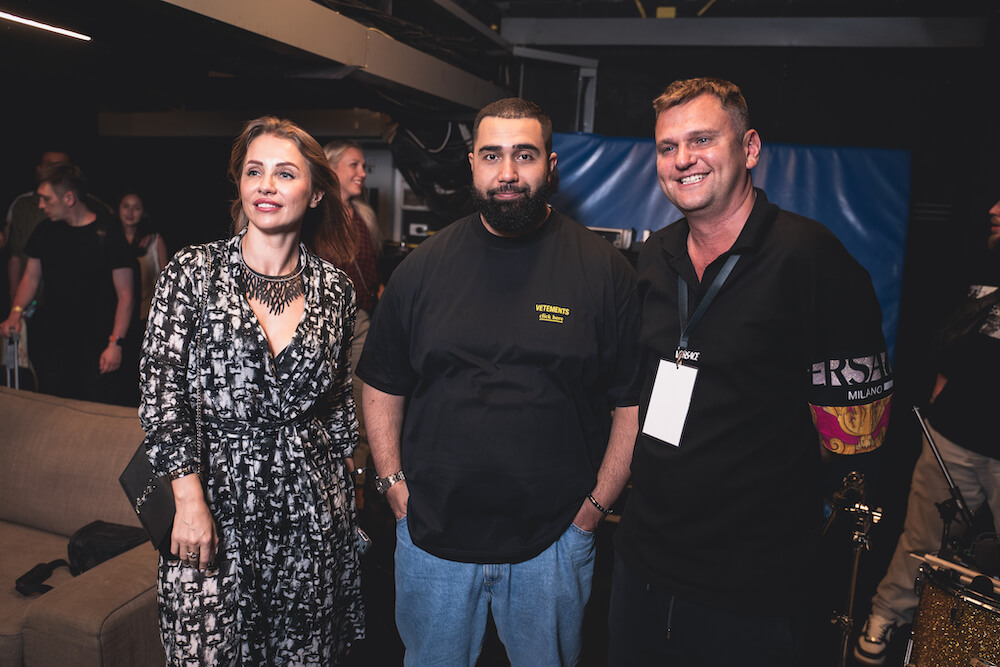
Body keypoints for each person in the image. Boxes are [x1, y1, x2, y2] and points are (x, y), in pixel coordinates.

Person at [608, 77, 892, 666]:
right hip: (642, 563)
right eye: (667, 147)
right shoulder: (654, 256)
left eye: (702, 140)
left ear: (750, 148)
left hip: (750, 586)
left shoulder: (812, 259)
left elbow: (853, 436)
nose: (682, 159)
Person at [357, 97, 640, 666]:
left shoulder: (604, 271)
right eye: (492, 155)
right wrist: (393, 485)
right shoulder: (421, 269)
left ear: (550, 165)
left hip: (553, 545)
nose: (507, 172)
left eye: (524, 155)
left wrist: (592, 511)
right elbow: (383, 383)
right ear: (472, 165)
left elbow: (631, 404)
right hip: (433, 539)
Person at [138, 116, 365, 664]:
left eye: (285, 173)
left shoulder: (334, 289)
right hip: (215, 498)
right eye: (254, 171)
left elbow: (338, 404)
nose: (266, 185)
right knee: (207, 649)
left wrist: (350, 491)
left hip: (311, 508)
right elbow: (160, 393)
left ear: (315, 193)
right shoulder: (193, 273)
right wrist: (188, 501)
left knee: (301, 653)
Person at [854, 197, 1000, 666]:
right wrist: (941, 387)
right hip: (951, 435)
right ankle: (885, 616)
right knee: (922, 540)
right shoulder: (982, 259)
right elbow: (953, 336)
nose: (994, 208)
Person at [0, 163, 134, 403]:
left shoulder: (108, 234)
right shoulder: (45, 231)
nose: (41, 205)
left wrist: (116, 343)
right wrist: (15, 312)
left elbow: (126, 296)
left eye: (47, 199)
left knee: (93, 409)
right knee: (53, 405)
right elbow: (31, 277)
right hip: (54, 343)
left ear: (69, 198)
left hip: (96, 345)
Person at [322, 139, 381, 477]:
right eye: (354, 165)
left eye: (363, 166)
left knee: (362, 395)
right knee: (327, 397)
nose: (362, 173)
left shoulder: (363, 216)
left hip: (361, 317)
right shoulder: (317, 213)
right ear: (331, 169)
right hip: (325, 318)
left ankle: (356, 479)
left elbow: (371, 267)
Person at [119, 192, 168, 322]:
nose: (130, 212)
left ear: (143, 212)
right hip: (117, 314)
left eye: (136, 208)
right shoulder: (110, 240)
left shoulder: (155, 241)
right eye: (126, 206)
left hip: (148, 315)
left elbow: (166, 281)